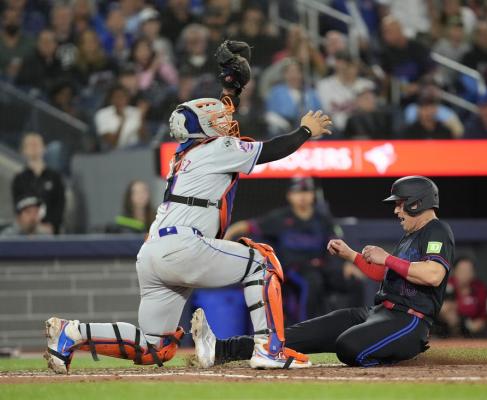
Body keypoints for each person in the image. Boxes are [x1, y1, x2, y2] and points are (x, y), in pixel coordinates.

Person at [43, 40, 333, 374]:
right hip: (184, 246)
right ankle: (269, 350)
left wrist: (231, 86)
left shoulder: (185, 153)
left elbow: (222, 119)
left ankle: (72, 332)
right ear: (206, 128)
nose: (223, 120)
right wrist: (305, 130)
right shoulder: (217, 147)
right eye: (216, 119)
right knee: (262, 263)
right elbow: (270, 150)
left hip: (153, 254)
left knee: (156, 347)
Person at [193, 176, 455, 367]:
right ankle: (221, 349)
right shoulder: (410, 236)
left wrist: (386, 258)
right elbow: (381, 276)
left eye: (400, 203)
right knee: (297, 334)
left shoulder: (436, 230)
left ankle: (390, 357)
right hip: (379, 313)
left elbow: (433, 274)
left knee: (348, 346)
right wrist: (351, 255)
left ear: (416, 204)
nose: (396, 210)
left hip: (409, 321)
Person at [225, 177, 363, 322]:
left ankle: (354, 325)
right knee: (312, 282)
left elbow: (337, 245)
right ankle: (307, 330)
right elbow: (245, 226)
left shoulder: (323, 219)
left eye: (306, 191)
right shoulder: (279, 218)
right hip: (293, 270)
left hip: (322, 268)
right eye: (297, 192)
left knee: (355, 281)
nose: (302, 196)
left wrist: (346, 264)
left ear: (313, 194)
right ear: (289, 195)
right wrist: (227, 236)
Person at [11, 132, 65, 235]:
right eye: (30, 145)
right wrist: (31, 224)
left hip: (51, 231)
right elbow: (18, 206)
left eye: (37, 144)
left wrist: (52, 225)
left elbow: (60, 205)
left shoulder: (55, 177)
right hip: (26, 231)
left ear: (44, 148)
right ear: (24, 150)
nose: (34, 148)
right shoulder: (19, 179)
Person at [438, 256, 487, 337]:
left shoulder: (480, 288)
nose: (465, 274)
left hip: (474, 331)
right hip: (446, 330)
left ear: (473, 273)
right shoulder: (445, 286)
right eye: (462, 271)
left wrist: (456, 306)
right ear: (455, 271)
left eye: (468, 271)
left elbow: (485, 314)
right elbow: (439, 307)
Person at [94, 84, 146, 150]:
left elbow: (144, 139)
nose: (120, 100)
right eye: (117, 97)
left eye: (123, 97)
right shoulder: (102, 114)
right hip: (113, 152)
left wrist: (142, 117)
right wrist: (122, 122)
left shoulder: (135, 112)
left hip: (135, 149)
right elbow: (112, 143)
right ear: (111, 99)